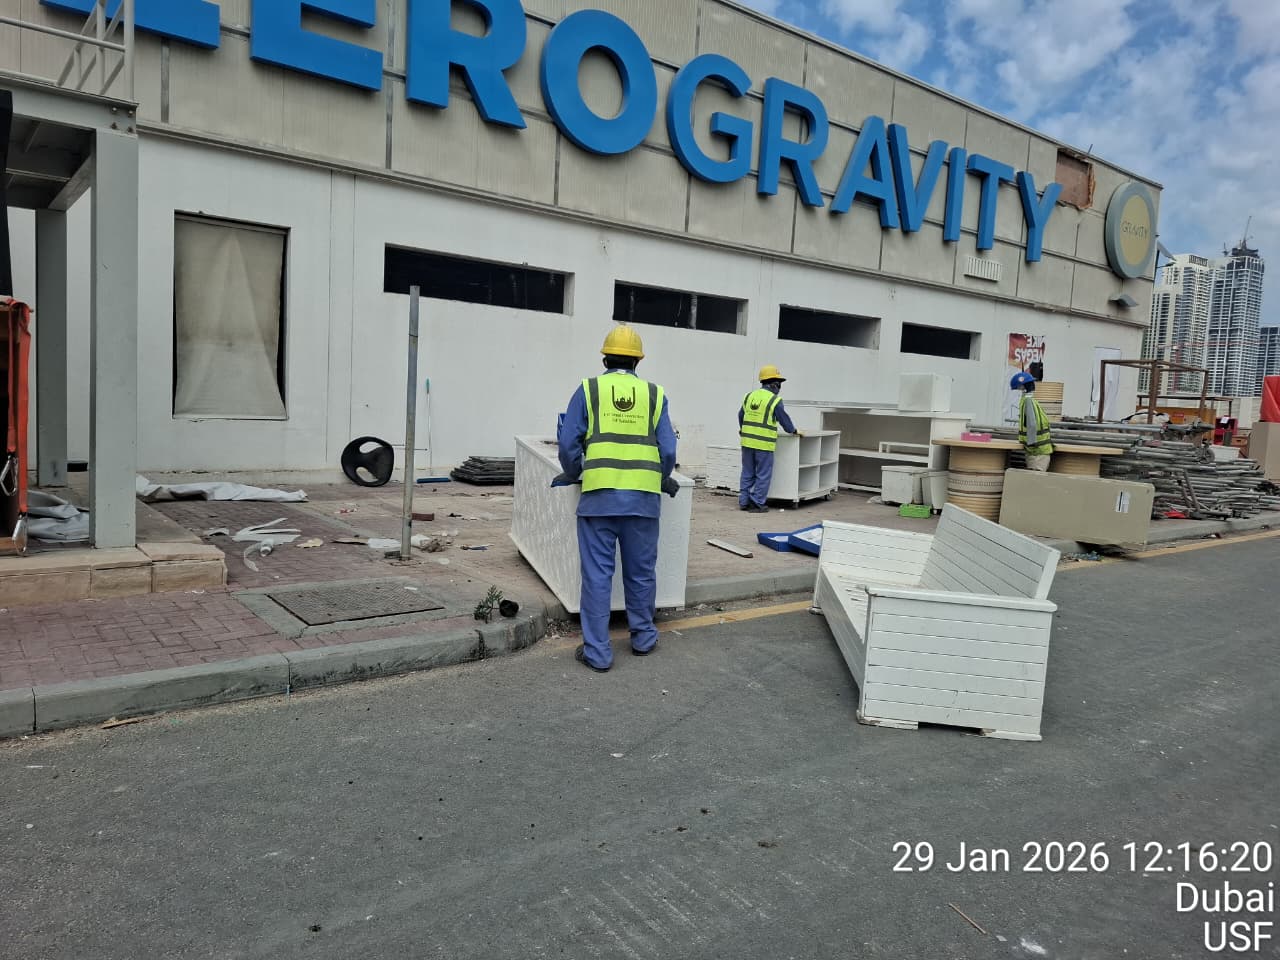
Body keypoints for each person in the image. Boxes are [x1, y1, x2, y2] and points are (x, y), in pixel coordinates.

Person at [553, 325, 678, 673]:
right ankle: (643, 638)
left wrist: (575, 470)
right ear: (638, 360)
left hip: (598, 498)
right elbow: (668, 450)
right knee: (640, 574)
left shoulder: (589, 389)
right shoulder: (655, 394)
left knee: (596, 576)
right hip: (642, 500)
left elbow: (568, 444)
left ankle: (597, 653)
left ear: (605, 356)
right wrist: (661, 477)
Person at [738, 364, 801, 513]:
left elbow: (741, 415)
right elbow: (784, 419)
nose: (780, 387)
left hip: (747, 442)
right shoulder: (775, 400)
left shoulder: (749, 396)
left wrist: (743, 430)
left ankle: (744, 502)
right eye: (779, 384)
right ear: (774, 384)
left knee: (747, 472)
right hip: (763, 444)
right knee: (763, 474)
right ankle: (757, 503)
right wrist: (793, 431)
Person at [1011, 371, 1053, 471]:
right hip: (1040, 449)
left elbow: (1032, 423)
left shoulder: (1028, 401)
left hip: (1037, 452)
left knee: (1035, 480)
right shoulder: (1031, 401)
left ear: (1022, 387)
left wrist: (1031, 443)